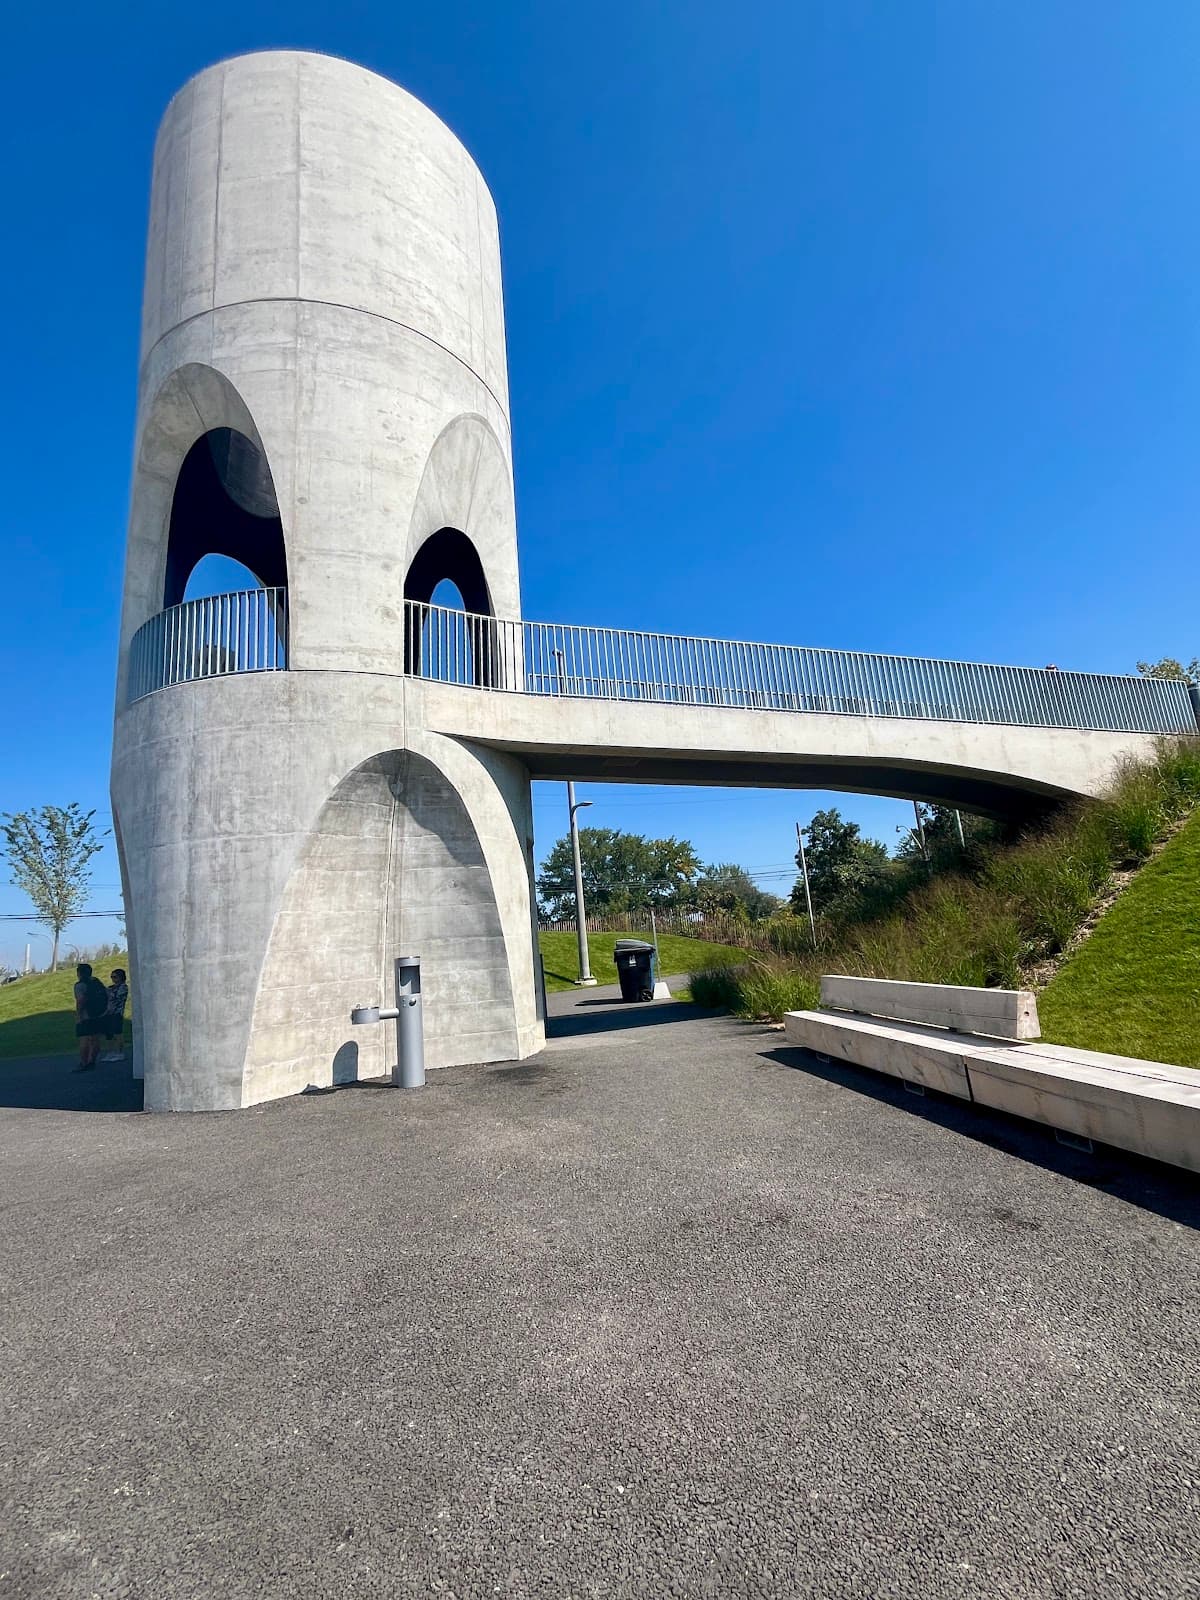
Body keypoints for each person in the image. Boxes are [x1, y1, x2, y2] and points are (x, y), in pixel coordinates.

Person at [72, 963, 109, 1072]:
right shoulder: (96, 981)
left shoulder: (79, 985)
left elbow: (80, 1001)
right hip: (99, 1014)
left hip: (86, 1015)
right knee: (95, 1039)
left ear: (79, 973)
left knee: (84, 1039)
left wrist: (78, 1015)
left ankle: (84, 1063)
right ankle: (92, 1061)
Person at [98, 968, 129, 1064]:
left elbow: (116, 997)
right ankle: (110, 1052)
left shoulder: (123, 987)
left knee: (117, 1033)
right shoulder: (111, 987)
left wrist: (107, 992)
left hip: (117, 1013)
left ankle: (120, 1052)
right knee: (109, 1034)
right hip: (108, 1013)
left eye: (115, 977)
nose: (113, 979)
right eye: (112, 977)